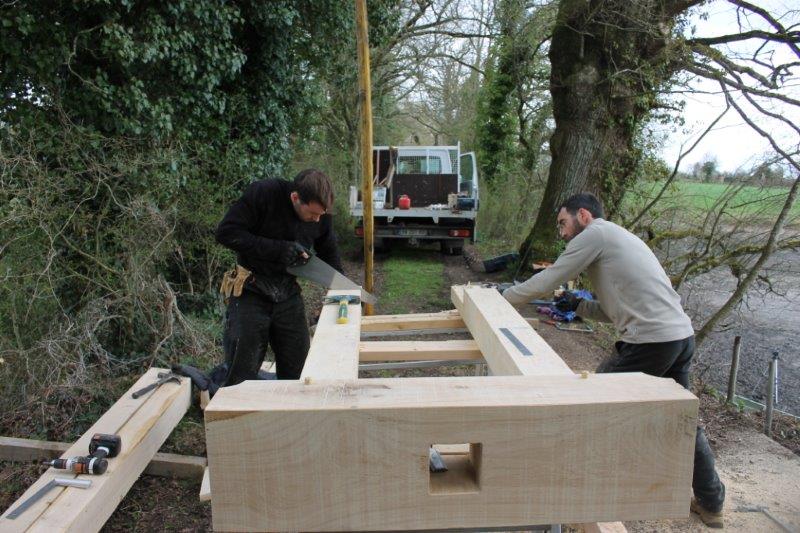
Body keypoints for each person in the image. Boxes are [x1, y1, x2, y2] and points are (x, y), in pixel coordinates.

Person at [502, 192, 726, 528]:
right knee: (682, 422)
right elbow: (615, 309)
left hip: (651, 342)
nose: (561, 232)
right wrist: (577, 305)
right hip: (679, 337)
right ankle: (712, 503)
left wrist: (504, 298)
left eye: (563, 223)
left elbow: (549, 279)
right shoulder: (619, 240)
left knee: (593, 405)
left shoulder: (596, 234)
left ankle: (582, 497)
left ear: (584, 217)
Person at [215, 169, 343, 384]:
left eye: (322, 214)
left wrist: (342, 287)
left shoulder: (321, 212)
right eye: (312, 214)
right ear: (295, 198)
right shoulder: (263, 193)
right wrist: (277, 250)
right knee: (242, 371)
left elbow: (328, 249)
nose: (317, 219)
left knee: (299, 369)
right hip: (251, 289)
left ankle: (291, 415)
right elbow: (226, 233)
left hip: (287, 293)